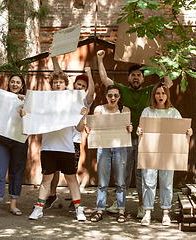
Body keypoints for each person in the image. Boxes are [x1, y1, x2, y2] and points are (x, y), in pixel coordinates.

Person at [96, 49, 173, 218]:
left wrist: (161, 61)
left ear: (143, 78)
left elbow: (168, 83)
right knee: (123, 173)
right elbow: (104, 80)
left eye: (139, 75)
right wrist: (100, 59)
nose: (136, 78)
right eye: (133, 75)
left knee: (141, 174)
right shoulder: (122, 90)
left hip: (146, 141)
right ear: (129, 78)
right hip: (124, 139)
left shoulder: (149, 92)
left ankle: (141, 205)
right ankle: (119, 202)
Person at [27, 68, 88, 221]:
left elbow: (79, 128)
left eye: (61, 82)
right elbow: (32, 112)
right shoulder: (44, 101)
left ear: (65, 84)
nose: (58, 84)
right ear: (52, 84)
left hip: (66, 147)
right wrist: (25, 113)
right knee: (46, 179)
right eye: (55, 82)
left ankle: (79, 209)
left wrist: (81, 115)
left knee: (71, 179)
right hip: (48, 147)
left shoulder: (72, 100)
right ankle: (39, 208)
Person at [44, 52, 95, 212]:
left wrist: (89, 75)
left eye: (83, 86)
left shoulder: (83, 100)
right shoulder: (66, 95)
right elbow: (58, 75)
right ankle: (51, 195)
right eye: (78, 84)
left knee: (70, 173)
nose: (79, 87)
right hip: (58, 138)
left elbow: (92, 93)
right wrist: (53, 57)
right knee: (52, 172)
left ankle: (75, 202)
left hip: (73, 141)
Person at [136, 82, 193, 226]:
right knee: (148, 182)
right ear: (153, 95)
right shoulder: (147, 111)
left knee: (167, 183)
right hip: (150, 153)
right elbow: (141, 129)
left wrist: (188, 132)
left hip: (168, 154)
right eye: (157, 93)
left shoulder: (173, 112)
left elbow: (181, 131)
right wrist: (139, 132)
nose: (160, 96)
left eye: (163, 93)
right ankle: (147, 212)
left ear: (167, 95)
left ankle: (166, 212)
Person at [0, 74, 29, 220]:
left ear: (22, 86)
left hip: (19, 140)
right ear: (9, 84)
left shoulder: (28, 101)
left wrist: (26, 111)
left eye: (18, 83)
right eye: (12, 82)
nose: (15, 84)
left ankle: (13, 206)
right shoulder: (0, 97)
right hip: (0, 139)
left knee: (16, 172)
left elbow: (35, 118)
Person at [87, 85, 132, 223]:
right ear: (106, 96)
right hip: (103, 148)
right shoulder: (99, 110)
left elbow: (128, 129)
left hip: (120, 148)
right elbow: (93, 128)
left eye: (116, 95)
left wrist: (130, 129)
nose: (113, 98)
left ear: (119, 97)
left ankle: (121, 211)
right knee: (102, 181)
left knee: (120, 181)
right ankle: (100, 210)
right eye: (110, 95)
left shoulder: (125, 110)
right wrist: (89, 131)